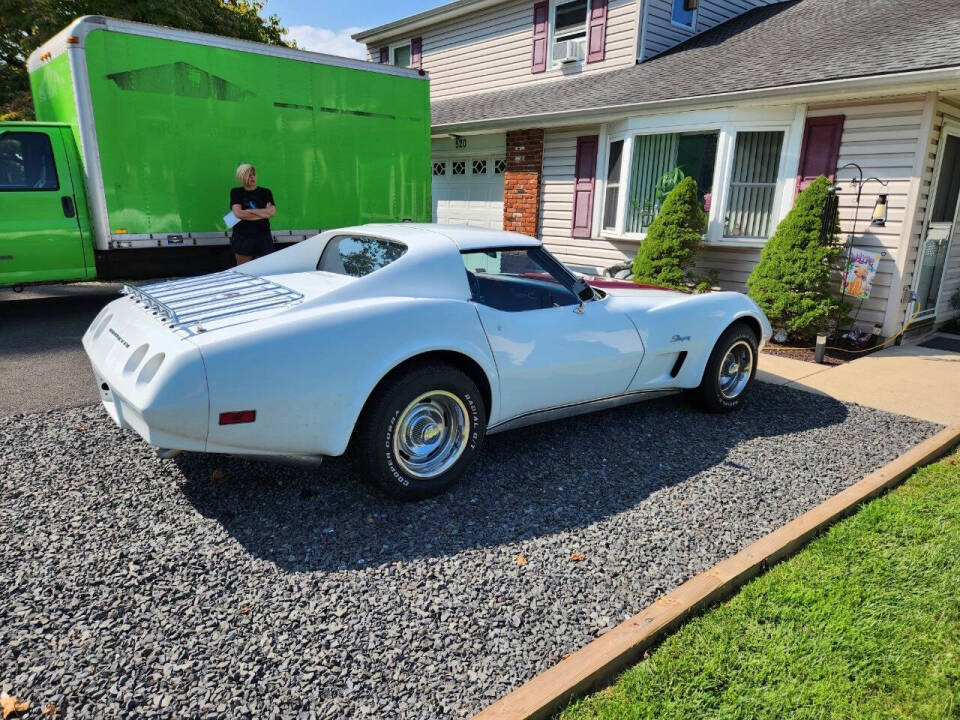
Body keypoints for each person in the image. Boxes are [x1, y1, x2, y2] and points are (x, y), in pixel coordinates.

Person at [229, 163, 276, 264]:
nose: (252, 177)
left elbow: (272, 212)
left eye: (254, 174)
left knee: (264, 269)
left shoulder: (265, 192)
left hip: (263, 238)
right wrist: (263, 213)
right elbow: (238, 214)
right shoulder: (236, 192)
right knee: (243, 271)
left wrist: (249, 211)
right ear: (242, 177)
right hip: (243, 238)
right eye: (249, 175)